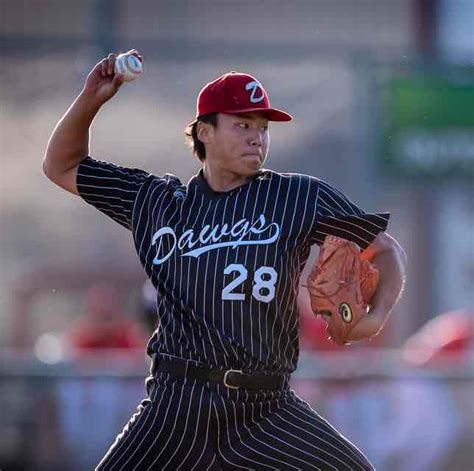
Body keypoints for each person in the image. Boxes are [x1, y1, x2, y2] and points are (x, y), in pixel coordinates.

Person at [43, 49, 407, 470]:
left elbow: (385, 249)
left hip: (266, 409)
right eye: (242, 124)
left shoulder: (298, 197)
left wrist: (376, 315)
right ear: (204, 133)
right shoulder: (157, 202)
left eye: (262, 127)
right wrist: (91, 98)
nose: (257, 137)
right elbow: (61, 165)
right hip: (175, 408)